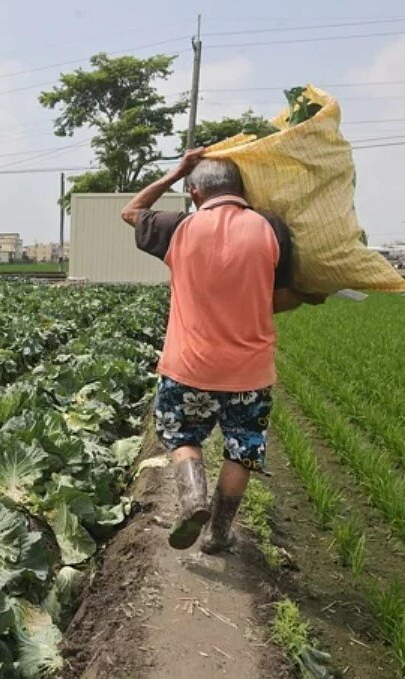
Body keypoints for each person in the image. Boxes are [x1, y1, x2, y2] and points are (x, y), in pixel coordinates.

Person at [120, 148, 323, 554]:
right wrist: (307, 296)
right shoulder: (270, 229)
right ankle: (218, 533)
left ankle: (193, 501)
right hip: (249, 371)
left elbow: (132, 210)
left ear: (195, 193)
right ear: (241, 189)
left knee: (183, 437)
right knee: (242, 448)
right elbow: (278, 300)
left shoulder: (179, 228)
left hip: (188, 366)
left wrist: (177, 169)